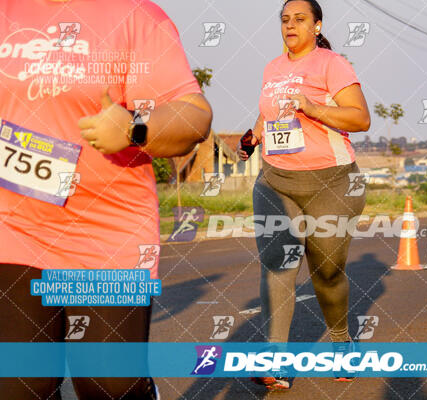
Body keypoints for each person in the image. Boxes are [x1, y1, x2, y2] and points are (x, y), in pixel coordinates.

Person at [0, 0, 212, 398]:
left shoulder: (134, 16)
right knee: (19, 386)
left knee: (108, 387)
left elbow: (194, 115)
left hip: (106, 231)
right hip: (14, 225)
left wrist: (136, 127)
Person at [238, 0, 370, 390]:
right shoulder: (273, 68)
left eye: (299, 19)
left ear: (316, 25)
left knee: (326, 272)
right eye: (285, 20)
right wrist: (254, 136)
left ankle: (342, 342)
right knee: (278, 263)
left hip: (332, 182)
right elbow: (269, 113)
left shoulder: (332, 64)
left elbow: (360, 118)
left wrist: (312, 107)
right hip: (276, 180)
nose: (290, 25)